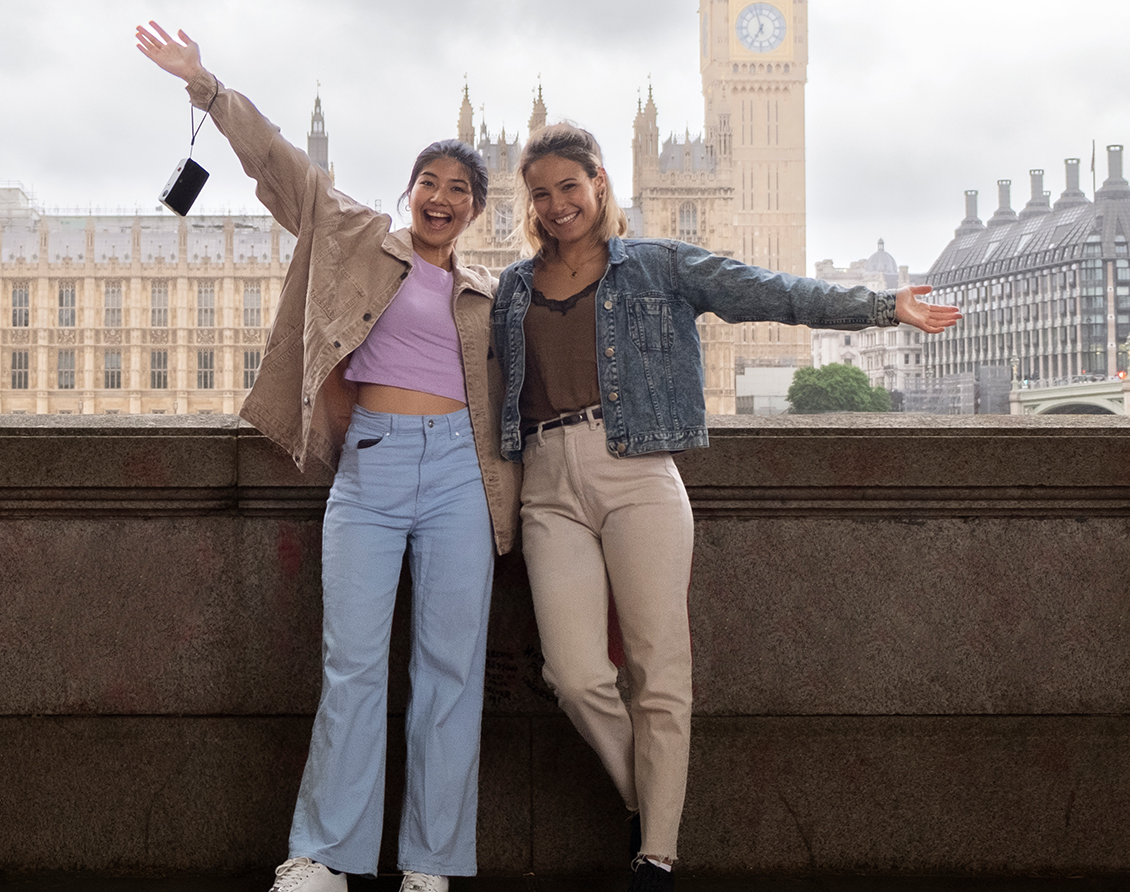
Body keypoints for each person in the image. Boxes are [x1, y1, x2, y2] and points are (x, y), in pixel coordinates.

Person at [492, 122, 961, 892]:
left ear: (601, 183)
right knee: (575, 675)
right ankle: (651, 800)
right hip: (546, 482)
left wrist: (880, 307)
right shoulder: (512, 286)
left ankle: (658, 855)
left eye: (568, 186)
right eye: (540, 193)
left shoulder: (658, 263)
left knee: (659, 665)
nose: (556, 204)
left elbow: (770, 291)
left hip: (638, 469)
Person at [136, 22, 520, 892]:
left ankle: (430, 862)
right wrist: (205, 86)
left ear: (476, 211)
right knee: (351, 664)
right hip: (375, 464)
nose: (441, 197)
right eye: (430, 180)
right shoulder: (352, 231)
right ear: (409, 189)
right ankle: (322, 853)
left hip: (462, 473)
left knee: (451, 674)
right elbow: (275, 161)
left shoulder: (492, 291)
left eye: (461, 189)